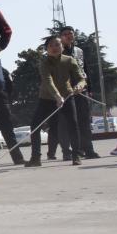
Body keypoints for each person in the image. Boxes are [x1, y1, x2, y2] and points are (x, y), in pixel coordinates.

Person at [25, 37, 85, 167]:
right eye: (51, 45)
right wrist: (57, 96)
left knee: (73, 125)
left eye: (57, 44)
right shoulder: (44, 62)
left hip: (68, 96)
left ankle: (76, 155)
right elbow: (48, 81)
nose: (54, 47)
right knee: (35, 125)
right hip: (46, 98)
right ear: (47, 49)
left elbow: (81, 78)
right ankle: (35, 157)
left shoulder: (69, 60)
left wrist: (80, 85)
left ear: (62, 47)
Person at [47, 26, 100, 160]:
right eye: (65, 34)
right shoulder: (56, 51)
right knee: (65, 123)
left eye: (71, 33)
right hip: (64, 91)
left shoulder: (79, 51)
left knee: (84, 121)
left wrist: (90, 89)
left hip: (81, 90)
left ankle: (88, 149)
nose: (68, 36)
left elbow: (85, 70)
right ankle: (67, 151)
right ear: (60, 37)